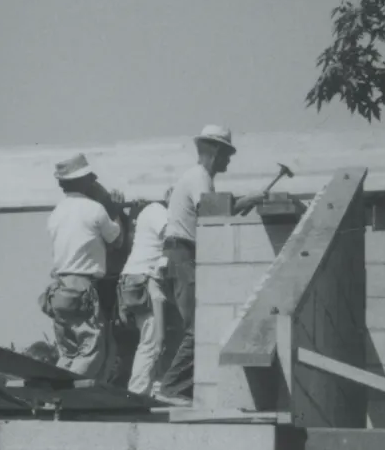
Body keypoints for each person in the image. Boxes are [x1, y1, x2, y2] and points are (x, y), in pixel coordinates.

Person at [157, 125, 265, 402]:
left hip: (182, 255)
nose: (229, 160)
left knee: (196, 326)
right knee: (199, 328)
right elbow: (210, 213)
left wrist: (240, 205)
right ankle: (171, 388)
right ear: (215, 151)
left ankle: (176, 388)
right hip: (182, 254)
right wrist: (245, 201)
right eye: (227, 154)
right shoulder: (200, 177)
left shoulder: (199, 178)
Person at [41, 154, 125, 379]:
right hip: (82, 289)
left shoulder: (56, 213)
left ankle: (54, 396)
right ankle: (66, 395)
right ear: (83, 181)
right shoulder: (95, 210)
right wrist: (115, 211)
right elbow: (116, 240)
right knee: (91, 351)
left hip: (58, 289)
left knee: (68, 352)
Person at [118, 192, 171, 396]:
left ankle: (148, 389)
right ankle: (137, 392)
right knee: (151, 340)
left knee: (147, 338)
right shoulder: (158, 210)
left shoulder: (146, 213)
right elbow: (173, 235)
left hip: (132, 279)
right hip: (145, 279)